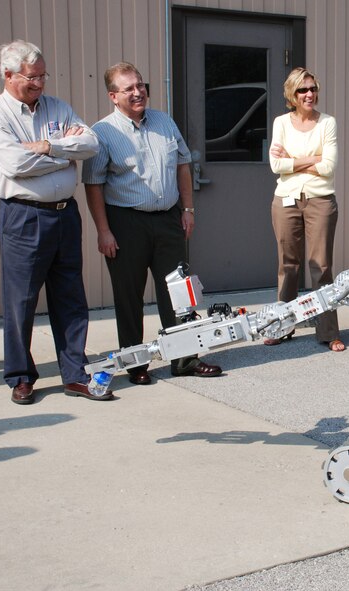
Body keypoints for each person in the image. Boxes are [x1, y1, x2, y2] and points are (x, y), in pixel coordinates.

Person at [0, 40, 111, 404]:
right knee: (21, 300)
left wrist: (48, 147)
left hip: (65, 214)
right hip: (24, 216)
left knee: (71, 297)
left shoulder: (58, 107)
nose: (39, 84)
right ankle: (21, 376)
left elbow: (91, 144)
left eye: (42, 76)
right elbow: (15, 166)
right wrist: (65, 154)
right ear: (8, 75)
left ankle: (74, 373)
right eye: (31, 77)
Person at [82, 62, 222, 386]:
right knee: (128, 296)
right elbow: (93, 185)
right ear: (113, 96)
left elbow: (183, 165)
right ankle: (136, 364)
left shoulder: (164, 122)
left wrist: (188, 209)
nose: (138, 92)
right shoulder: (102, 133)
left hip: (168, 219)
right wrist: (103, 231)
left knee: (178, 294)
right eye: (129, 88)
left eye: (140, 85)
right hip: (125, 222)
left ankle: (185, 359)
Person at [268, 67, 344, 352]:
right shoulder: (281, 123)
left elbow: (328, 167)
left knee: (321, 267)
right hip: (285, 199)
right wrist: (311, 159)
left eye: (313, 88)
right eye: (303, 90)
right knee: (287, 266)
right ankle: (282, 326)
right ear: (292, 94)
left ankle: (328, 331)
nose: (309, 94)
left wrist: (293, 159)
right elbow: (276, 165)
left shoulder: (327, 123)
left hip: (320, 201)